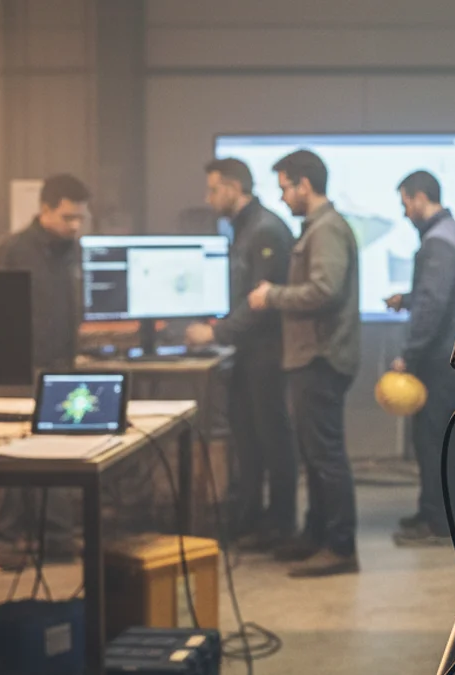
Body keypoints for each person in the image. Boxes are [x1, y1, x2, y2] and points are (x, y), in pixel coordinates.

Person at [247, 150, 361, 577]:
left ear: (304, 185)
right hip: (312, 357)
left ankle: (340, 547)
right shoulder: (318, 227)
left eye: (284, 188)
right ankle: (316, 536)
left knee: (325, 457)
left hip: (320, 357)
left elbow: (325, 290)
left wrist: (271, 296)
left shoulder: (326, 229)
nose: (282, 198)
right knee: (314, 456)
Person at [0, 174, 91, 570]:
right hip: (17, 368)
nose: (75, 226)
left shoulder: (72, 251)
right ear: (45, 209)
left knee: (59, 451)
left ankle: (56, 536)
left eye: (80, 218)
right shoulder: (11, 250)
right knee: (9, 453)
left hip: (61, 365)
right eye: (67, 217)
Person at [187, 158, 296, 550]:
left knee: (271, 442)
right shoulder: (245, 228)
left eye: (213, 189)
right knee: (248, 441)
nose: (208, 198)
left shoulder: (265, 229)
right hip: (247, 353)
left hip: (265, 354)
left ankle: (279, 526)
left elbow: (260, 304)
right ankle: (250, 521)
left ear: (233, 188)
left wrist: (215, 332)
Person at [384, 171, 455, 546]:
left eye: (405, 203)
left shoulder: (436, 241)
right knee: (453, 436)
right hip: (453, 354)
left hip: (438, 358)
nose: (405, 212)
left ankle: (438, 522)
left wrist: (408, 355)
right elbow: (442, 294)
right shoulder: (452, 233)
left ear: (420, 197)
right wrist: (406, 299)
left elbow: (433, 305)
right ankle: (454, 515)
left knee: (434, 439)